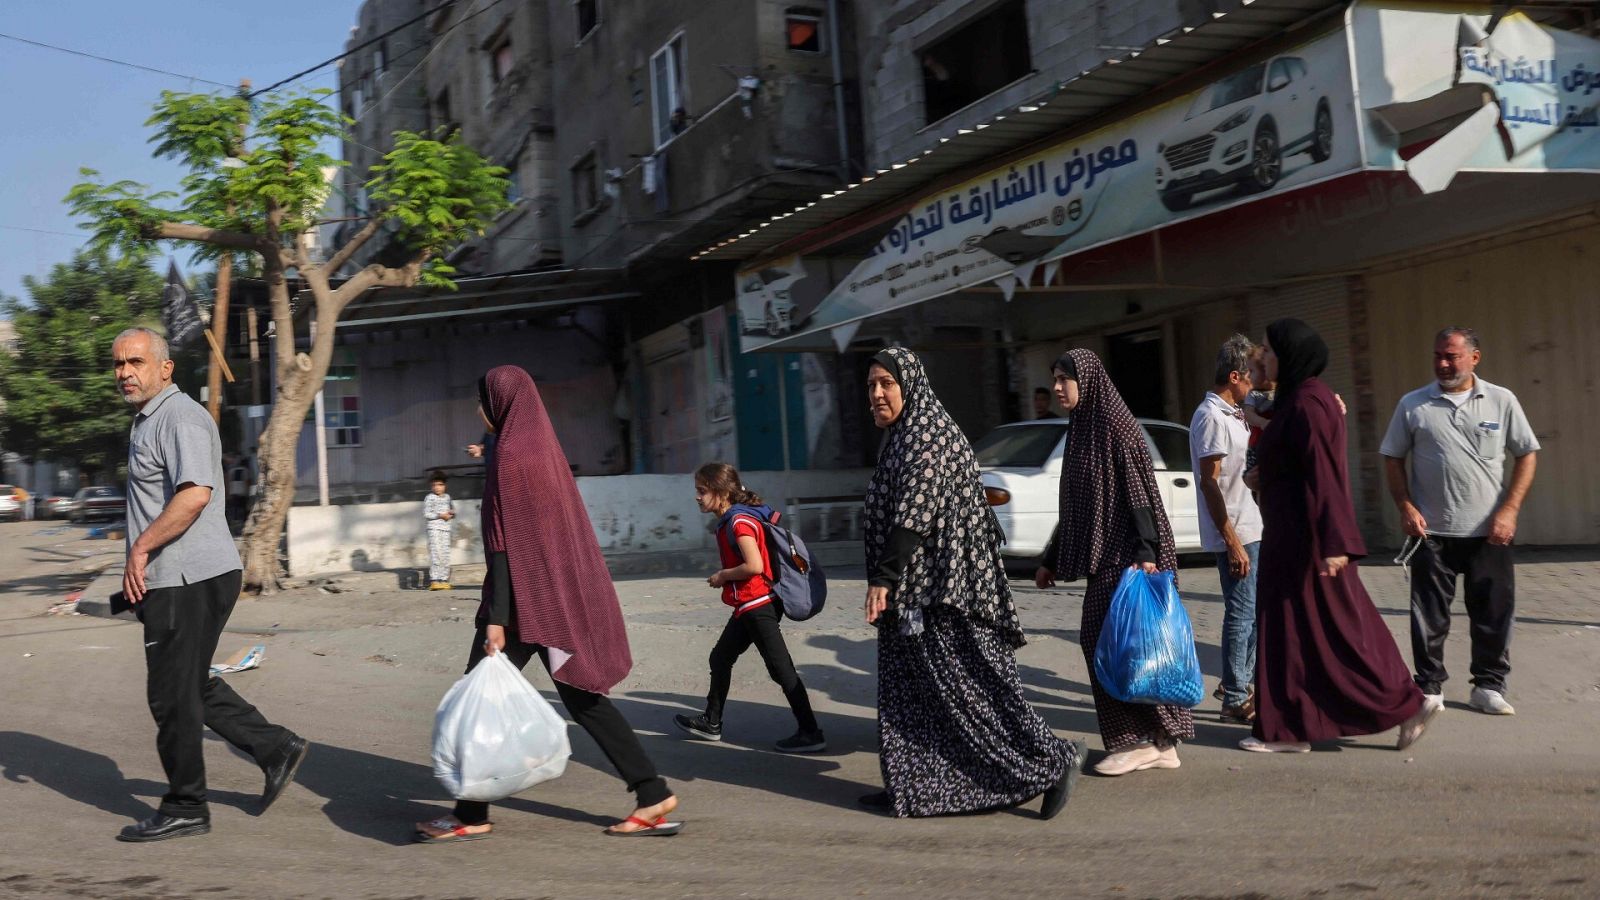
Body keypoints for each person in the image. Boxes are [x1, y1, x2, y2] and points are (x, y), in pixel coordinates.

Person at [414, 365, 681, 842]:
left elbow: (503, 543)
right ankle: (651, 791)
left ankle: (471, 815)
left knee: (482, 695)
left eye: (483, 401)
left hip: (519, 602)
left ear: (502, 402)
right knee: (582, 699)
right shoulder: (540, 449)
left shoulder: (511, 454)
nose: (480, 411)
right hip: (549, 596)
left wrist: (496, 618)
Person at [862, 347, 1083, 819]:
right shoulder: (901, 436)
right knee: (911, 692)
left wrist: (883, 579)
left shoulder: (927, 435)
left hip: (949, 593)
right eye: (871, 385)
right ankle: (912, 782)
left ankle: (1053, 762)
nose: (877, 394)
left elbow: (914, 513)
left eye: (886, 383)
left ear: (910, 385)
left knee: (973, 691)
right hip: (917, 591)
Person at [111, 327, 308, 843]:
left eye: (135, 361)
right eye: (118, 364)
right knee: (189, 683)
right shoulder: (149, 420)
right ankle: (275, 747)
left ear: (165, 367)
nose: (125, 373)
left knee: (171, 696)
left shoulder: (180, 417)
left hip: (187, 576)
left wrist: (140, 548)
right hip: (176, 576)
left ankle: (186, 805)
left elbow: (194, 495)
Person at [1243, 318, 1434, 753]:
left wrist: (1335, 543)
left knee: (1329, 632)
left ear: (1291, 355)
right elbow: (1292, 460)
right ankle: (1296, 727)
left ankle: (1403, 703)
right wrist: (1263, 476)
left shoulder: (1310, 403)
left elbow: (1324, 474)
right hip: (1296, 538)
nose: (1265, 357)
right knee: (1314, 631)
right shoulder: (1300, 400)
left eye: (1271, 351)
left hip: (1305, 542)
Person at [1036, 348, 1194, 775]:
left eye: (1063, 379)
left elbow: (1139, 493)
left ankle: (1143, 740)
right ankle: (1159, 741)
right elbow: (1076, 505)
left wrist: (1146, 554)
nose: (1057, 388)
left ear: (1086, 381)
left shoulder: (1116, 426)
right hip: (1108, 555)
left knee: (1119, 645)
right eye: (1054, 379)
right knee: (1122, 647)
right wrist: (1051, 557)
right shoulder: (1082, 427)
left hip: (1131, 556)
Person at [1379, 326, 1538, 717]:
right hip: (1430, 533)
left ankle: (1488, 687)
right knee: (1429, 616)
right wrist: (1404, 505)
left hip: (1490, 533)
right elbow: (1392, 457)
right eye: (1438, 356)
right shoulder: (1413, 404)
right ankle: (1429, 688)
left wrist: (1510, 509)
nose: (1443, 364)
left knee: (1493, 613)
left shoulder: (1501, 400)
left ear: (1474, 358)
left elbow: (1527, 454)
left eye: (1451, 356)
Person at [673, 462, 824, 753]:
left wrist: (723, 576)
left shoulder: (739, 522)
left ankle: (811, 732)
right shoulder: (735, 518)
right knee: (720, 658)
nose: (697, 497)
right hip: (748, 604)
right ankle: (711, 722)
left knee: (781, 669)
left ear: (720, 492)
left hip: (758, 605)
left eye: (702, 491)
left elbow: (753, 565)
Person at [1188, 335, 1263, 724]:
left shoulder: (1235, 412)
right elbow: (1209, 482)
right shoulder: (1210, 417)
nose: (1254, 382)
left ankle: (1236, 681)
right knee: (1241, 613)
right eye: (1250, 375)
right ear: (1234, 376)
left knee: (1253, 611)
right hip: (1235, 532)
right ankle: (1234, 698)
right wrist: (1231, 541)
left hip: (1253, 526)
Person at [423, 471, 455, 590]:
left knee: (445, 555)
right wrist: (440, 515)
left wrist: (452, 513)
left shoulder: (448, 497)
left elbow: (452, 511)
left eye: (440, 484)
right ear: (431, 486)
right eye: (434, 485)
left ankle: (444, 580)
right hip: (434, 529)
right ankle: (435, 580)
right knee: (436, 553)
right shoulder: (429, 497)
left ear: (444, 486)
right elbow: (426, 514)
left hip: (446, 530)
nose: (437, 487)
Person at [225, 454, 250, 530]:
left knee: (235, 508)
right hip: (243, 492)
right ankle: (243, 522)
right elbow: (247, 481)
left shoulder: (232, 471)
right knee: (243, 508)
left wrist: (228, 493)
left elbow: (228, 482)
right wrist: (248, 491)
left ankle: (234, 522)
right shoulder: (245, 470)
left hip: (233, 491)